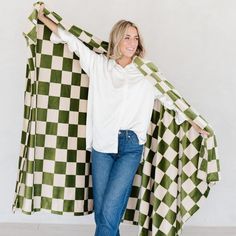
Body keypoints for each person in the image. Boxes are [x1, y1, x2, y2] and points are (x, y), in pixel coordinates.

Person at [37, 4, 209, 236]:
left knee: (109, 212)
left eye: (136, 38)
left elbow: (170, 99)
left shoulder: (146, 72)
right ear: (117, 39)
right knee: (104, 216)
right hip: (102, 147)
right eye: (127, 37)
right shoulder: (99, 66)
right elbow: (70, 39)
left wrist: (196, 123)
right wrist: (41, 16)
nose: (132, 42)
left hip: (130, 147)